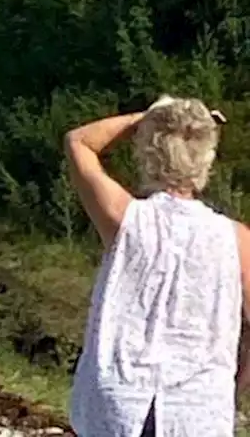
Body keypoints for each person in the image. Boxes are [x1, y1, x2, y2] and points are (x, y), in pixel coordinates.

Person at [64, 95, 249, 436]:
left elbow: (79, 141)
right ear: (207, 159)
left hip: (121, 401)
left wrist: (144, 117)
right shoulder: (238, 240)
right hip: (199, 410)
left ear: (148, 155)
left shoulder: (126, 218)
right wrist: (232, 384)